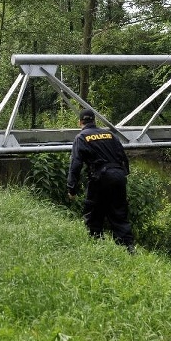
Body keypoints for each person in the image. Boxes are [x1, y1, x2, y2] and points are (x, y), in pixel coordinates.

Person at [66, 108, 135, 254]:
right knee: (119, 214)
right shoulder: (110, 135)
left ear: (80, 122)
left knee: (94, 214)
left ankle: (97, 248)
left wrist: (72, 188)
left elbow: (76, 165)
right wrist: (123, 175)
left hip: (100, 178)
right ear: (94, 121)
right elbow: (123, 156)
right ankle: (128, 249)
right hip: (118, 176)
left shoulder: (81, 137)